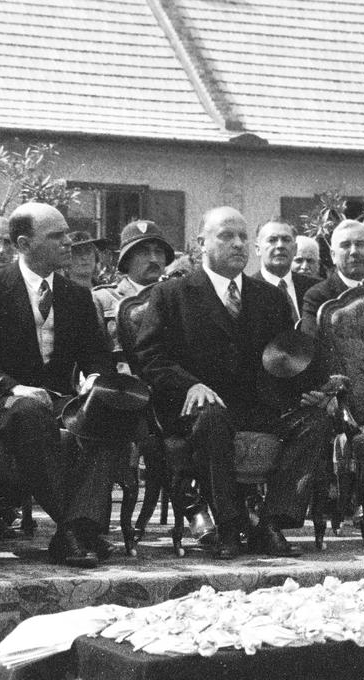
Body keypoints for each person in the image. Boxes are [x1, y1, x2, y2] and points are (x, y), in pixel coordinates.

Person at [131, 207, 335, 559]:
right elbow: (151, 357)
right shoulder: (172, 295)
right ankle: (228, 524)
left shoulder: (269, 297)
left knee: (316, 420)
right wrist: (189, 385)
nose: (238, 244)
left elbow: (285, 356)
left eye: (243, 236)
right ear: (201, 244)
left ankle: (270, 522)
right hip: (195, 408)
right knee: (212, 417)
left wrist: (309, 390)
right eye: (227, 236)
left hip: (257, 407)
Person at [0, 202, 128, 566]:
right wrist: (14, 388)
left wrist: (93, 380)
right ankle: (77, 529)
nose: (68, 244)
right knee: (28, 411)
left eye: (67, 235)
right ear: (25, 243)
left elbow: (96, 355)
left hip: (57, 400)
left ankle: (75, 529)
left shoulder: (75, 296)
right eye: (57, 236)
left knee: (111, 414)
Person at [93, 219, 175, 346]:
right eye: (144, 252)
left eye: (158, 252)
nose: (154, 259)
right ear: (126, 260)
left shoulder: (176, 296)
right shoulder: (102, 299)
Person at [300, 220, 364, 330]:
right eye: (345, 245)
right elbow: (311, 344)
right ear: (333, 255)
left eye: (360, 244)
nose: (354, 251)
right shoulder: (318, 296)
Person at [253, 220, 322, 313]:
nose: (280, 245)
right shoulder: (246, 292)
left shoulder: (316, 288)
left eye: (286, 240)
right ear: (258, 249)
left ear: (295, 249)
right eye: (272, 240)